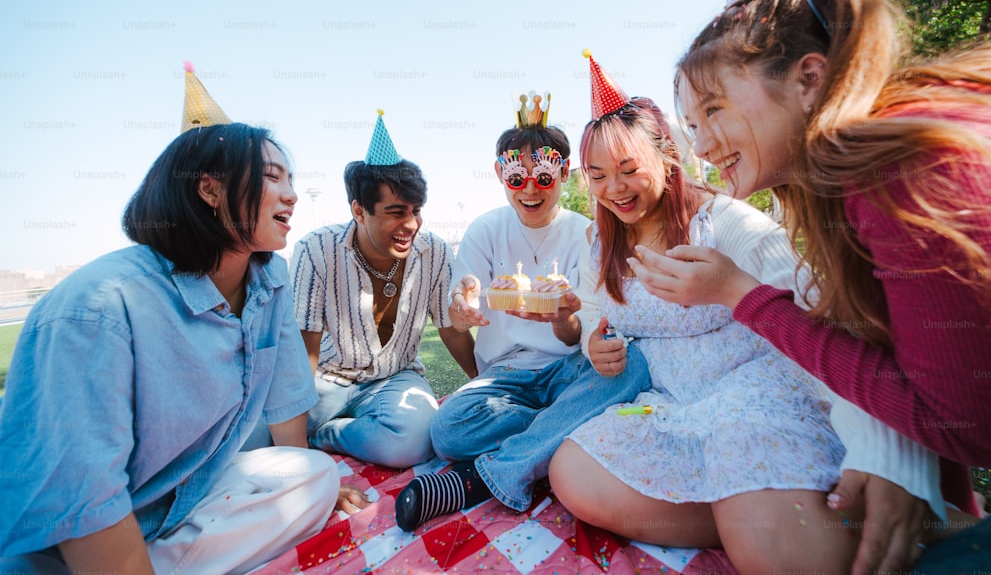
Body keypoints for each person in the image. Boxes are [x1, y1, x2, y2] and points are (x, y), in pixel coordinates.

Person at [640, 0, 991, 573]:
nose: (700, 145)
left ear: (809, 78)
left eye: (716, 110)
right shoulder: (854, 172)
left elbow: (967, 426)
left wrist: (739, 294)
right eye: (692, 125)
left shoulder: (900, 174)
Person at [0, 65, 367, 574]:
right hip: (74, 547)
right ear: (210, 190)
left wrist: (321, 485)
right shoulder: (97, 310)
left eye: (292, 180)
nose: (291, 195)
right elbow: (84, 504)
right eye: (271, 177)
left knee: (315, 475)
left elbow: (285, 409)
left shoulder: (271, 280)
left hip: (188, 500)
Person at [548, 51, 858, 574]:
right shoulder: (595, 241)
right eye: (597, 176)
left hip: (749, 389)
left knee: (772, 549)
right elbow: (596, 321)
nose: (614, 190)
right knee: (570, 474)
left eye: (628, 170)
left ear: (667, 157)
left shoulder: (722, 221)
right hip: (667, 401)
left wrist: (858, 428)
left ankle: (768, 518)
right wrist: (596, 346)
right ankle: (751, 514)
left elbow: (818, 306)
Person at [394, 91, 650, 532]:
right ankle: (565, 429)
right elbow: (461, 307)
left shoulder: (585, 233)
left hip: (568, 369)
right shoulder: (485, 230)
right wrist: (463, 308)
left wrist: (564, 320)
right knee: (449, 430)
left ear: (565, 173)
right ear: (499, 173)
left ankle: (483, 476)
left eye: (544, 177)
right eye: (517, 177)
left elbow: (577, 333)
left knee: (635, 367)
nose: (530, 189)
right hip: (506, 378)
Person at [291, 110, 477, 469]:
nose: (411, 224)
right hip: (326, 380)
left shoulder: (435, 250)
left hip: (396, 378)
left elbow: (452, 331)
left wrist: (484, 385)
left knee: (413, 444)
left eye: (416, 210)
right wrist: (299, 458)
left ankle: (328, 436)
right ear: (359, 211)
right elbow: (305, 349)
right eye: (396, 212)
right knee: (263, 438)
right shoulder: (315, 250)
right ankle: (316, 432)